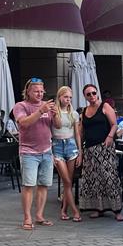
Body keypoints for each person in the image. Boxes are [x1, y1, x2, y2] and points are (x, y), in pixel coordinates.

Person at [12, 77, 56, 229]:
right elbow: (24, 123)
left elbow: (55, 125)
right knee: (28, 185)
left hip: (47, 151)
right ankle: (27, 218)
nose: (39, 94)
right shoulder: (21, 106)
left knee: (44, 185)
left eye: (41, 91)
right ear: (28, 92)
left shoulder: (47, 106)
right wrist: (40, 111)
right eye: (36, 91)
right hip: (28, 151)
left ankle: (39, 215)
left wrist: (56, 115)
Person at [79, 83, 123, 221]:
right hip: (90, 149)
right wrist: (80, 149)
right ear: (85, 96)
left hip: (104, 147)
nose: (92, 96)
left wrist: (110, 136)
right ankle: (98, 208)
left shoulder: (105, 106)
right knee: (94, 179)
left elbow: (114, 124)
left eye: (93, 93)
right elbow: (81, 131)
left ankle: (116, 210)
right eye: (88, 94)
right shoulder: (84, 111)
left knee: (109, 177)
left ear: (97, 93)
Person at [52, 86, 82, 222]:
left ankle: (63, 210)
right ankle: (75, 211)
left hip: (71, 146)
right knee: (67, 181)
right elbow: (56, 126)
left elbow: (77, 134)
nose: (68, 100)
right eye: (66, 97)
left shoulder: (74, 114)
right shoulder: (54, 111)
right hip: (57, 146)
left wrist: (80, 151)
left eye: (70, 97)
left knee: (68, 182)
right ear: (59, 97)